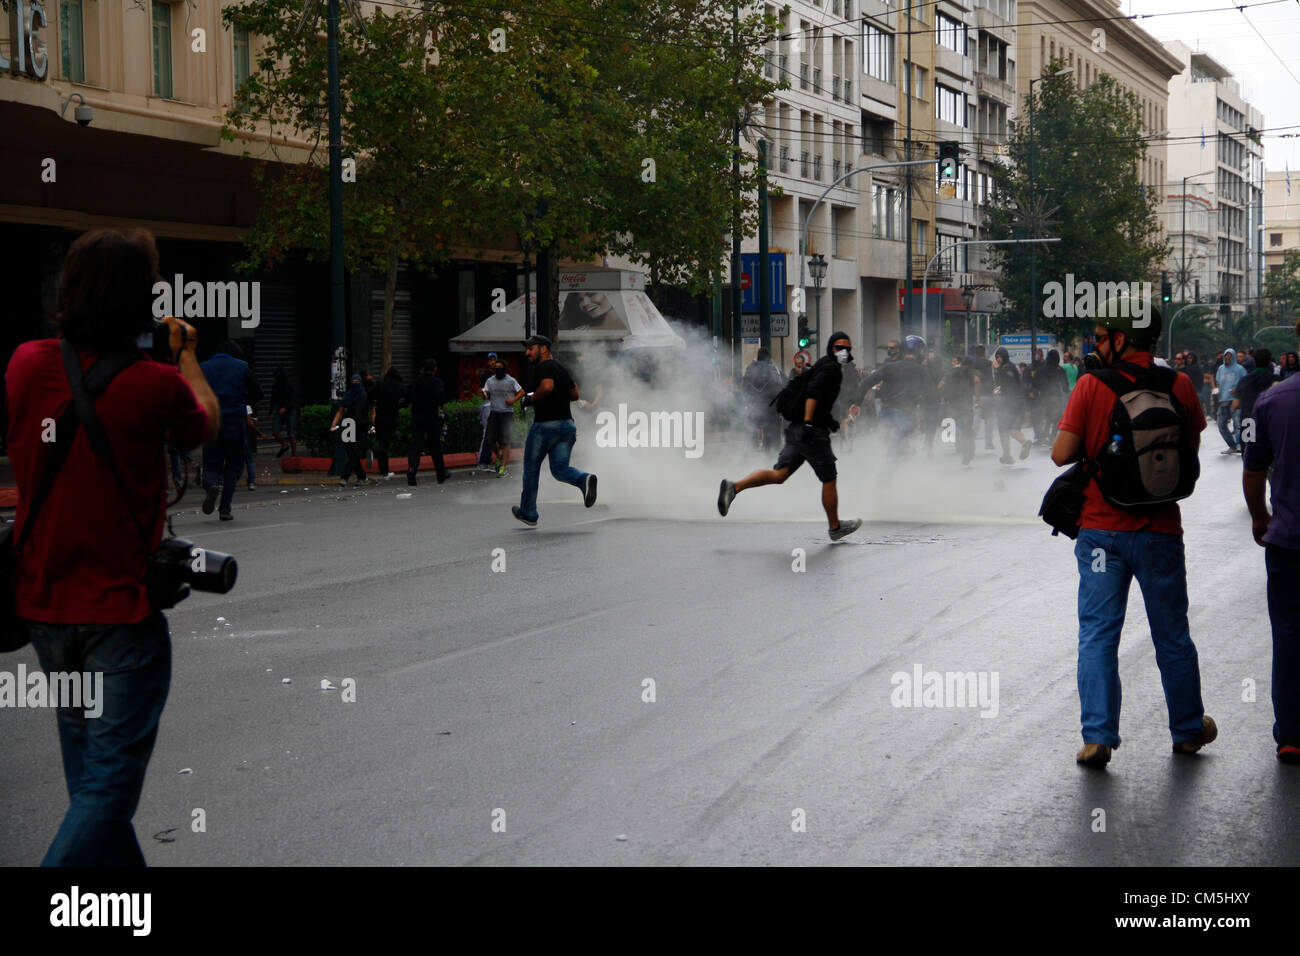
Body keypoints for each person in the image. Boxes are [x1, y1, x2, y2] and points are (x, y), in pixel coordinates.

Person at [6, 227, 218, 865]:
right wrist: (184, 353)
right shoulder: (156, 384)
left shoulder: (24, 364)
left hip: (44, 609)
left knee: (89, 781)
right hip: (119, 615)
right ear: (143, 302)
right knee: (106, 789)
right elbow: (204, 424)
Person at [1051, 296, 1214, 768]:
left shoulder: (1090, 385)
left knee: (1099, 633)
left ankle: (1097, 737)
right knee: (1173, 634)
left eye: (1102, 336)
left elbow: (1061, 454)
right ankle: (1187, 729)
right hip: (1161, 531)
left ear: (1120, 339)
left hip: (1102, 533)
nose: (1096, 344)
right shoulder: (1179, 383)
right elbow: (1191, 444)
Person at [717, 332, 862, 541]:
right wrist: (810, 421)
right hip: (810, 432)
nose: (843, 351)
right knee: (829, 477)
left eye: (847, 348)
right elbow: (813, 392)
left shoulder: (823, 364)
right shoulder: (831, 369)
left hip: (797, 429)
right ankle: (835, 526)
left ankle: (734, 487)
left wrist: (825, 418)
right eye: (838, 347)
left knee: (780, 474)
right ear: (831, 348)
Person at [1242, 319, 1300, 763]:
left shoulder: (1272, 400)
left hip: (1288, 542)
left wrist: (1261, 517)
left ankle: (1292, 734)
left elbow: (1253, 468)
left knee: (1288, 635)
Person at [512, 335, 597, 525]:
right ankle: (584, 480)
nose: (527, 353)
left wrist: (531, 400)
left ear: (543, 349)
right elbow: (575, 394)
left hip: (545, 426)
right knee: (560, 469)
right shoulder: (561, 369)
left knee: (531, 468)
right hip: (567, 426)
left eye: (531, 348)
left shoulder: (544, 367)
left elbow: (547, 386)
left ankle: (528, 513)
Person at [200, 340, 259, 521]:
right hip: (235, 422)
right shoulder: (242, 367)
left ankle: (211, 485)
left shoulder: (204, 367)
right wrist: (243, 399)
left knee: (211, 463)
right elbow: (258, 392)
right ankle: (225, 509)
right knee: (233, 466)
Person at [861, 335, 931, 462]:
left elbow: (866, 382)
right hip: (900, 411)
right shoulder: (919, 370)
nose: (890, 350)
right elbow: (931, 395)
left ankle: (893, 461)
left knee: (892, 440)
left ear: (900, 350)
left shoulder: (890, 366)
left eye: (892, 348)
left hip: (887, 409)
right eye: (888, 348)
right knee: (894, 441)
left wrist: (857, 401)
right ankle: (890, 467)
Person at [405, 357, 448, 486]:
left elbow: (408, 398)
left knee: (415, 445)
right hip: (431, 417)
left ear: (423, 369)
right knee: (435, 446)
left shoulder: (415, 382)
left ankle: (412, 469)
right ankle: (441, 474)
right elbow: (440, 397)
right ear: (435, 370)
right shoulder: (437, 382)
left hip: (417, 417)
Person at [482, 359, 523, 476]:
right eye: (496, 367)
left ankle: (503, 467)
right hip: (494, 412)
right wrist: (482, 394)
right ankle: (499, 456)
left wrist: (513, 400)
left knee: (505, 441)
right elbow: (486, 394)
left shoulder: (511, 380)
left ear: (505, 369)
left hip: (507, 413)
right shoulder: (490, 381)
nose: (498, 369)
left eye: (500, 367)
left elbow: (521, 392)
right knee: (490, 439)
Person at [992, 347, 1031, 464]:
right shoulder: (1010, 367)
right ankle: (1007, 455)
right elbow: (1009, 384)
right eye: (996, 358)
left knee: (1007, 429)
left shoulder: (1007, 367)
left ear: (1003, 356)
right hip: (1014, 402)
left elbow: (1008, 380)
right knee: (1008, 429)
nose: (997, 360)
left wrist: (998, 369)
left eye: (998, 357)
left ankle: (1024, 443)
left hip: (1011, 403)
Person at [330, 373, 371, 486]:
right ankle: (362, 476)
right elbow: (340, 411)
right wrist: (334, 424)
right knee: (351, 452)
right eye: (353, 383)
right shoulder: (348, 395)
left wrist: (373, 426)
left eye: (357, 382)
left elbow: (373, 412)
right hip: (349, 425)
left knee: (355, 452)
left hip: (361, 427)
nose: (355, 385)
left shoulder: (366, 396)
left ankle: (344, 477)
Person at [938, 355, 979, 465]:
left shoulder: (950, 372)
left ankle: (960, 447)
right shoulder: (971, 373)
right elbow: (977, 381)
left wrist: (941, 396)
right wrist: (977, 397)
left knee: (955, 425)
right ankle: (969, 452)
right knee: (967, 429)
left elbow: (941, 385)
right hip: (966, 404)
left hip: (953, 404)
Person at [742, 347, 785, 451]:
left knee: (752, 429)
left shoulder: (750, 368)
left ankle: (752, 450)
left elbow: (745, 387)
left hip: (754, 405)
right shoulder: (774, 369)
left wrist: (748, 402)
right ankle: (770, 452)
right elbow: (781, 386)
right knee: (772, 434)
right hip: (770, 408)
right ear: (769, 357)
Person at [371, 366, 404, 478]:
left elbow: (370, 394)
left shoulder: (380, 384)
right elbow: (407, 396)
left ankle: (382, 468)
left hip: (380, 416)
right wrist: (399, 405)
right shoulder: (398, 385)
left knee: (381, 441)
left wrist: (376, 402)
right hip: (392, 417)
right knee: (385, 443)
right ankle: (384, 469)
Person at [1233, 347, 1277, 429]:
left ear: (1254, 361)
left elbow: (1235, 405)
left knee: (1248, 442)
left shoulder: (1244, 380)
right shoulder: (1276, 380)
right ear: (1270, 362)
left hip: (1248, 422)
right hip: (1269, 422)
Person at [1216, 348, 1247, 454]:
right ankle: (1232, 445)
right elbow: (1218, 382)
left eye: (1230, 355)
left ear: (1233, 356)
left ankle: (1240, 445)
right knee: (1221, 425)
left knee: (1237, 423)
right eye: (1226, 355)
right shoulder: (1221, 369)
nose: (1227, 357)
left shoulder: (1240, 369)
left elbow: (1246, 382)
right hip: (1223, 399)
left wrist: (1238, 389)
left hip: (1235, 399)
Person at [270, 365, 298, 458]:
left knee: (291, 432)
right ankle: (284, 445)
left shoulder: (289, 385)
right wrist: (270, 412)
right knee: (275, 431)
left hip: (290, 410)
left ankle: (294, 453)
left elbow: (293, 399)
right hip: (280, 410)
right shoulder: (275, 386)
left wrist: (285, 407)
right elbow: (272, 399)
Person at [972, 344, 996, 450]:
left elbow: (975, 380)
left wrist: (976, 397)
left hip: (978, 394)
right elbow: (994, 378)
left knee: (976, 418)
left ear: (976, 354)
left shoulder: (973, 365)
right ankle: (989, 443)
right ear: (985, 353)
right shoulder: (990, 364)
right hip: (989, 395)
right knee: (990, 419)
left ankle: (970, 441)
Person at [242, 403, 269, 491]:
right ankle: (251, 482)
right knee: (249, 460)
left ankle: (222, 481)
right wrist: (260, 433)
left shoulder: (230, 406)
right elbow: (249, 422)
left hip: (233, 436)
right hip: (244, 436)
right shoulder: (246, 407)